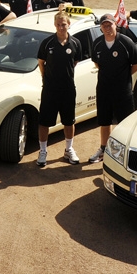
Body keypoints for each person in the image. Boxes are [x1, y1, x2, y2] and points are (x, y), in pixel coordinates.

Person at [88, 13, 137, 164]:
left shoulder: (126, 42)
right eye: (104, 25)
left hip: (123, 91)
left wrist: (122, 77)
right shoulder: (97, 43)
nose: (107, 28)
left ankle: (122, 154)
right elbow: (97, 63)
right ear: (101, 28)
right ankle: (103, 150)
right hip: (104, 89)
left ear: (115, 25)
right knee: (104, 121)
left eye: (109, 24)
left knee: (124, 124)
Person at [36, 10, 83, 167]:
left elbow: (74, 62)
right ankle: (43, 151)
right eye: (58, 25)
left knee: (69, 121)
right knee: (44, 121)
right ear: (54, 25)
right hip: (50, 88)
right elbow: (41, 62)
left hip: (68, 88)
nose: (61, 27)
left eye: (64, 24)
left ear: (69, 24)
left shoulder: (75, 43)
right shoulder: (47, 43)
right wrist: (46, 78)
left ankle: (68, 149)